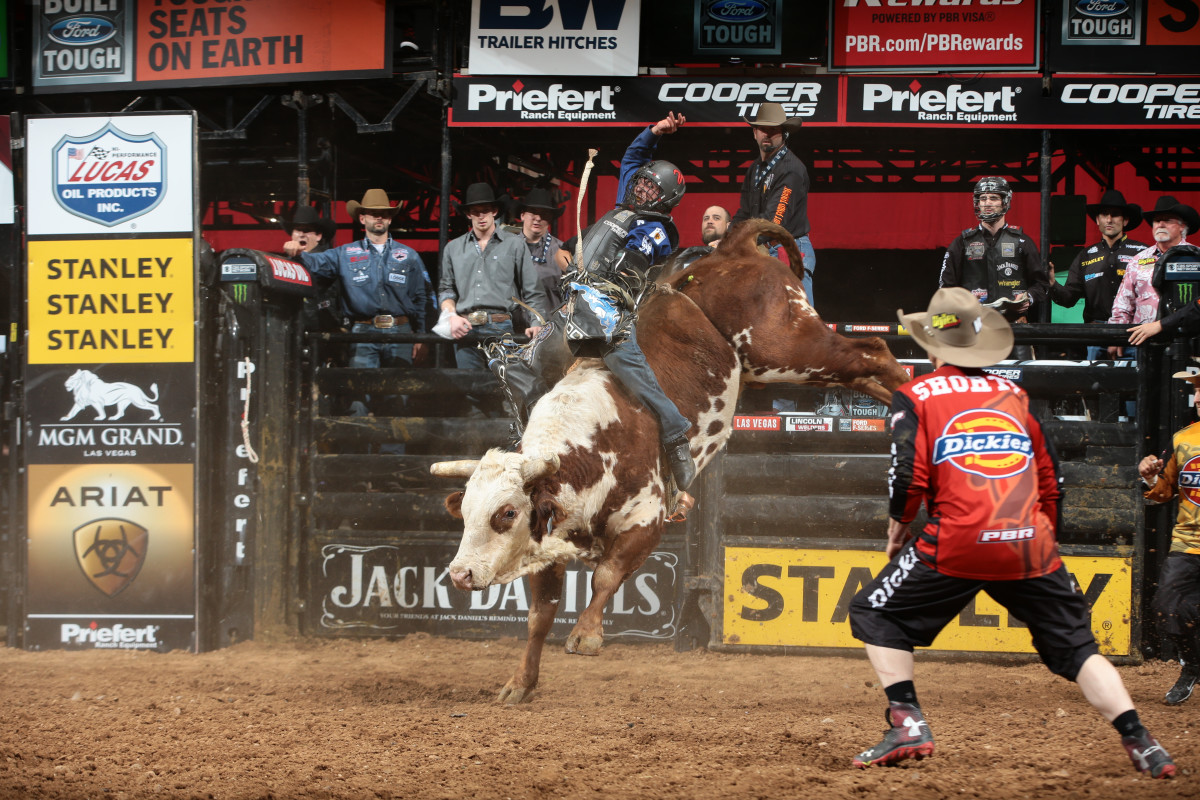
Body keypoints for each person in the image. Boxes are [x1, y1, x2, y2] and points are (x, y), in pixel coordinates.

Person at [846, 286, 1176, 779]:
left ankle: (908, 721)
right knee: (1079, 649)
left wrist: (898, 527)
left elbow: (906, 475)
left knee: (872, 610)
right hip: (1029, 542)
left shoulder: (915, 396)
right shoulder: (1014, 396)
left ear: (935, 347)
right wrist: (1047, 543)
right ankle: (1143, 742)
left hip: (955, 539)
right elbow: (1051, 480)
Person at [490, 112, 697, 490]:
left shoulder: (659, 228)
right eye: (642, 185)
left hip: (609, 313)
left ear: (665, 200)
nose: (642, 191)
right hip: (574, 308)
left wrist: (601, 277)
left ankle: (676, 438)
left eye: (652, 190)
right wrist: (653, 131)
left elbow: (634, 259)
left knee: (639, 379)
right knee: (526, 363)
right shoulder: (625, 203)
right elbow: (634, 159)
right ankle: (528, 435)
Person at [283, 188, 427, 370]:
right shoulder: (344, 253)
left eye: (383, 214)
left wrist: (421, 337)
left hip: (401, 331)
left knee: (398, 394)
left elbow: (422, 297)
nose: (379, 218)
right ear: (362, 218)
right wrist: (297, 253)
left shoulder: (409, 255)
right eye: (373, 214)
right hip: (363, 331)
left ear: (390, 219)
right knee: (359, 392)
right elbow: (315, 261)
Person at [438, 182, 548, 415]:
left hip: (501, 327)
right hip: (466, 328)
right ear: (468, 214)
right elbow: (446, 290)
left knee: (506, 392)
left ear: (494, 211)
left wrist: (537, 322)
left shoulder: (515, 244)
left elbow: (532, 291)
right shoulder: (453, 249)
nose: (481, 216)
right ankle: (479, 448)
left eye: (486, 210)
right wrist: (450, 315)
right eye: (476, 212)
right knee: (472, 393)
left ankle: (507, 448)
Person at [1139, 366, 1200, 706]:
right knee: (1167, 608)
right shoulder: (1183, 439)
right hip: (1188, 542)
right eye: (1195, 391)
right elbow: (1164, 492)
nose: (1198, 398)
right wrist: (1149, 477)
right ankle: (1191, 667)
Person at [939, 177, 1049, 332]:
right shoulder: (961, 243)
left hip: (1015, 325)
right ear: (977, 203)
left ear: (1005, 202)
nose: (987, 203)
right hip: (973, 325)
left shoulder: (1023, 242)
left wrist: (1028, 298)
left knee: (1022, 357)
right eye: (982, 198)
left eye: (993, 198)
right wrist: (961, 302)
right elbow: (945, 288)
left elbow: (1042, 284)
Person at [1048, 189, 1146, 360]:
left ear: (1125, 220)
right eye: (1104, 214)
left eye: (1115, 215)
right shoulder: (1085, 256)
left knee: (1134, 384)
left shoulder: (1142, 253)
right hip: (1095, 333)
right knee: (1094, 385)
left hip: (1133, 332)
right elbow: (1068, 299)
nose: (1109, 219)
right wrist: (1052, 284)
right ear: (1097, 220)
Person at [732, 103, 815, 303]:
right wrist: (728, 237)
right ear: (754, 133)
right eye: (763, 129)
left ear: (784, 134)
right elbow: (744, 213)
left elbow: (773, 222)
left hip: (789, 249)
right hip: (761, 249)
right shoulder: (754, 169)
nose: (767, 134)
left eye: (774, 130)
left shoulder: (791, 170)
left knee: (799, 324)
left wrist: (738, 239)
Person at [1122, 196, 1200, 348]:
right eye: (1157, 221)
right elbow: (1124, 302)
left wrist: (1162, 324)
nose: (1161, 224)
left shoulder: (1197, 257)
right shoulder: (1137, 260)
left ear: (1182, 226)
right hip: (1142, 341)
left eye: (1168, 220)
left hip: (1189, 343)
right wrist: (1116, 337)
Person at [285, 205, 342, 333]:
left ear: (318, 236)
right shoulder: (285, 264)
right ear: (292, 235)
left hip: (323, 332)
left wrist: (299, 256)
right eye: (297, 230)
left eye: (307, 230)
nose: (301, 235)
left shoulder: (328, 261)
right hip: (293, 332)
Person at [516, 187, 571, 318]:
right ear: (522, 215)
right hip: (514, 330)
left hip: (550, 329)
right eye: (533, 212)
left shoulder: (562, 251)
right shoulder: (506, 249)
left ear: (550, 218)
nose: (538, 218)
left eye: (544, 214)